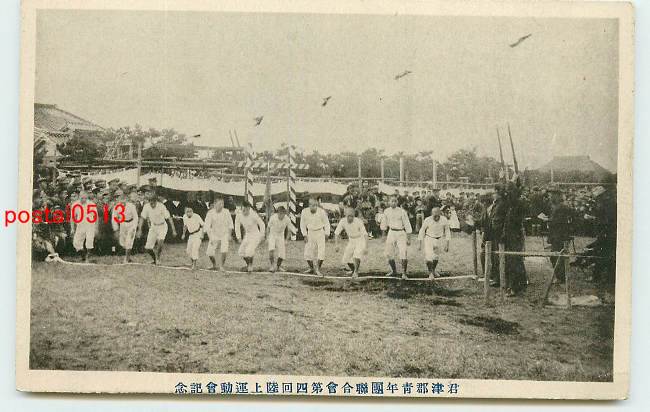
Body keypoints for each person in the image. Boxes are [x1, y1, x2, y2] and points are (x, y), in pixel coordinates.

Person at [137, 193, 177, 265]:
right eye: (150, 202)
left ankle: (158, 259)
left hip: (162, 226)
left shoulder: (161, 206)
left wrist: (173, 230)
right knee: (148, 248)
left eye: (153, 202)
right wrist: (139, 230)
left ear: (156, 201)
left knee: (160, 242)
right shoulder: (146, 206)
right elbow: (142, 218)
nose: (152, 204)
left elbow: (169, 218)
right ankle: (155, 259)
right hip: (153, 227)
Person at [380, 194, 412, 279]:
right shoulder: (386, 211)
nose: (393, 203)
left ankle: (404, 273)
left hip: (401, 233)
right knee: (388, 253)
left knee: (403, 252)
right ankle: (394, 271)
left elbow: (407, 225)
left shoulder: (402, 211)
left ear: (397, 202)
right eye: (392, 201)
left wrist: (408, 238)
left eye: (395, 201)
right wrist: (383, 235)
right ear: (389, 202)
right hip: (391, 232)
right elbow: (384, 224)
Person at [300, 195, 331, 276]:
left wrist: (327, 234)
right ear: (309, 204)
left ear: (317, 204)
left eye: (314, 205)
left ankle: (317, 269)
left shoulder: (322, 212)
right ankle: (311, 268)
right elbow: (302, 224)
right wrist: (304, 235)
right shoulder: (304, 211)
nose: (312, 207)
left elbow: (327, 223)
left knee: (321, 252)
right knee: (307, 253)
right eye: (310, 204)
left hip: (320, 232)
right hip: (310, 232)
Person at [334, 206, 368, 278]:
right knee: (346, 259)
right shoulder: (342, 221)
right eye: (348, 216)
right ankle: (353, 270)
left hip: (360, 239)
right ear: (345, 215)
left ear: (354, 215)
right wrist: (336, 244)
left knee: (356, 255)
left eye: (352, 216)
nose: (350, 218)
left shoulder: (358, 221)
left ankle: (356, 272)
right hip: (351, 240)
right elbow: (336, 233)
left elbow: (365, 234)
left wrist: (365, 247)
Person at [418, 207, 451, 279]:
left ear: (440, 213)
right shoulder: (427, 220)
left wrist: (447, 244)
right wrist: (420, 244)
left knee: (436, 257)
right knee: (429, 256)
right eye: (434, 215)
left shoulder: (444, 220)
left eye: (437, 215)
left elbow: (447, 232)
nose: (436, 217)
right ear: (431, 214)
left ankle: (433, 270)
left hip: (439, 239)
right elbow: (422, 231)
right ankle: (430, 273)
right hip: (429, 238)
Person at [204, 197, 233, 271]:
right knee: (209, 253)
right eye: (220, 204)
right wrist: (210, 238)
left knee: (224, 250)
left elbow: (230, 224)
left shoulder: (226, 212)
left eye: (222, 203)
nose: (221, 205)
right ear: (215, 204)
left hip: (224, 233)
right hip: (214, 234)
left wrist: (229, 235)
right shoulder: (210, 213)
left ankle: (221, 266)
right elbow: (207, 227)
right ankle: (214, 265)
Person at [234, 201, 265, 272]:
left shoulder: (253, 214)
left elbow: (262, 224)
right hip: (248, 235)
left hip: (255, 235)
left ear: (249, 208)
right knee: (240, 252)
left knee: (249, 251)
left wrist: (262, 235)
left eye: (246, 209)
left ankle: (250, 266)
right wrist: (239, 237)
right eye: (243, 209)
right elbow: (237, 226)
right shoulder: (239, 215)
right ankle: (249, 265)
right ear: (241, 208)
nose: (244, 211)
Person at [112, 190, 139, 263]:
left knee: (129, 241)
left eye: (122, 198)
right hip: (123, 224)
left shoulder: (131, 206)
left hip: (131, 223)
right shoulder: (116, 207)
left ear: (125, 198)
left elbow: (136, 217)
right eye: (118, 198)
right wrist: (116, 229)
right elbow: (114, 218)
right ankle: (128, 257)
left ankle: (126, 259)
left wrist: (134, 227)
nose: (121, 200)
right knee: (122, 242)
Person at [70, 191, 96, 263]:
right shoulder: (75, 205)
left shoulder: (91, 204)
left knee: (89, 241)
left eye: (85, 198)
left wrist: (96, 227)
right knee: (76, 242)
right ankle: (83, 255)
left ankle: (88, 257)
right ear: (79, 197)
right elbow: (72, 218)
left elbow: (95, 216)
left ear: (87, 198)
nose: (83, 200)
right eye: (82, 198)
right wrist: (72, 228)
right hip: (80, 225)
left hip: (90, 224)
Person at [266, 206, 292, 272]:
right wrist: (267, 237)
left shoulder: (287, 219)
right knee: (271, 249)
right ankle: (272, 266)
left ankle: (278, 266)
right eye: (280, 213)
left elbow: (289, 231)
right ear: (277, 213)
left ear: (284, 213)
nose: (281, 215)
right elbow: (268, 227)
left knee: (282, 253)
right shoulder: (273, 217)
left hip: (280, 235)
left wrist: (286, 240)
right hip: (272, 234)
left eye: (283, 214)